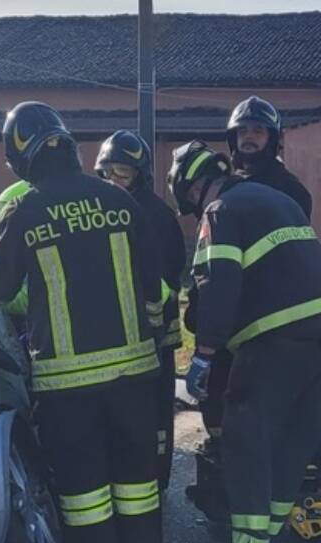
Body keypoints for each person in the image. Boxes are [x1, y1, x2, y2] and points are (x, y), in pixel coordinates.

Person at [0, 102, 166, 543]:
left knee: (85, 487)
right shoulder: (122, 202)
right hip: (135, 373)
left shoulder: (24, 211)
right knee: (137, 478)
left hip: (68, 381)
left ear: (19, 158)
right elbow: (155, 286)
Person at [168, 141, 321, 543]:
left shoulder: (220, 212)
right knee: (292, 439)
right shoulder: (276, 199)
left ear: (192, 189)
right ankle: (269, 532)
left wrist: (205, 353)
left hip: (277, 339)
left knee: (246, 439)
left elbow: (221, 284)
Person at [94, 130, 187, 491]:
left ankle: (157, 480)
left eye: (124, 172)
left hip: (155, 339)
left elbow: (167, 280)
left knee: (156, 419)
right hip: (115, 341)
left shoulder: (156, 216)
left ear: (140, 174)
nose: (115, 179)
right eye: (109, 172)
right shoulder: (99, 211)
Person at [226, 95, 313, 219]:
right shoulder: (229, 185)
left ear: (271, 140)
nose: (249, 136)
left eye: (258, 131)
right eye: (243, 131)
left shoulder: (290, 189)